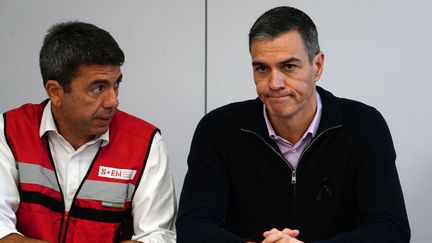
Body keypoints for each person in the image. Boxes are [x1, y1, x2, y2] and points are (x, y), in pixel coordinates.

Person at [176, 6, 410, 243]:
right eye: (262, 68)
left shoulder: (364, 125)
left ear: (317, 66)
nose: (274, 83)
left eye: (289, 66)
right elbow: (193, 226)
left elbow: (390, 229)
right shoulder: (218, 129)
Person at [0, 21, 176, 243]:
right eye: (98, 88)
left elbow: (158, 236)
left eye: (116, 85)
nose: (114, 101)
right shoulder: (9, 132)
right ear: (55, 91)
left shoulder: (145, 143)